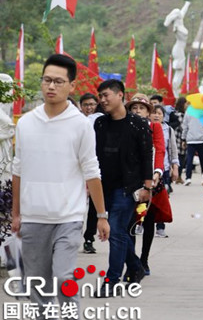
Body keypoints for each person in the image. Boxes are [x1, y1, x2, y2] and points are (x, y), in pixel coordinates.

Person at [12, 54, 110, 316]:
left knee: (63, 277)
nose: (51, 86)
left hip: (69, 215)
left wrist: (101, 216)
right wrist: (16, 213)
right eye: (46, 80)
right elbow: (18, 169)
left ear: (71, 86)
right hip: (34, 217)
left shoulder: (80, 125)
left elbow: (92, 171)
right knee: (38, 285)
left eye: (58, 81)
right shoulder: (26, 123)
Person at [95, 79, 153, 297]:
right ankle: (136, 266)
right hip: (104, 186)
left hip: (128, 187)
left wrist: (148, 186)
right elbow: (95, 154)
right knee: (117, 232)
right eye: (100, 96)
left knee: (117, 230)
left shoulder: (138, 124)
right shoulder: (100, 124)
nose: (102, 100)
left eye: (106, 95)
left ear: (121, 95)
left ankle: (111, 280)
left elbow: (147, 155)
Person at [125, 94, 165, 276]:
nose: (137, 111)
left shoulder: (155, 127)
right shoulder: (125, 126)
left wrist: (157, 172)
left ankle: (144, 259)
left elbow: (160, 149)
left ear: (148, 111)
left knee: (148, 220)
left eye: (141, 108)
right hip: (131, 181)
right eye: (134, 108)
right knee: (131, 222)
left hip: (151, 181)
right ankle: (132, 263)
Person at [150, 104, 179, 238]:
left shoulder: (168, 130)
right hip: (147, 168)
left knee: (161, 198)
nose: (156, 116)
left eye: (159, 113)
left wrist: (175, 167)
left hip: (164, 169)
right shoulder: (146, 128)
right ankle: (140, 224)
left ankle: (160, 227)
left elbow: (173, 150)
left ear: (163, 116)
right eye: (154, 113)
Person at [80, 92, 103, 254]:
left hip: (96, 169)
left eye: (92, 104)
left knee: (94, 208)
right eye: (86, 105)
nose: (89, 108)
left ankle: (89, 238)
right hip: (78, 171)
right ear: (81, 107)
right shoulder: (77, 122)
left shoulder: (100, 121)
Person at [181, 98, 203, 186]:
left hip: (191, 139)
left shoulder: (188, 112)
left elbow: (185, 126)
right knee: (202, 160)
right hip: (201, 139)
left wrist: (183, 138)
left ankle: (188, 178)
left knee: (189, 159)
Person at [173, 97, 187, 184]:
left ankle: (178, 176)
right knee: (180, 158)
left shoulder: (175, 113)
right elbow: (183, 127)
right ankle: (178, 176)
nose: (187, 105)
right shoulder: (180, 115)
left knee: (179, 158)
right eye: (186, 103)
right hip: (179, 138)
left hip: (177, 138)